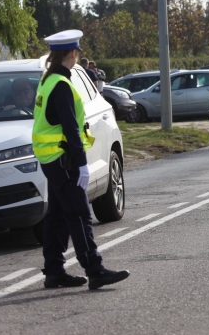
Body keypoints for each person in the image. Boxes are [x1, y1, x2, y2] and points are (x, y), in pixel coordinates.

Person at [32, 30, 129, 290]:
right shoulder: (62, 86)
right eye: (77, 52)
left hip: (51, 159)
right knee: (79, 214)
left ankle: (54, 271)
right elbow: (70, 129)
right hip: (64, 160)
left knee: (57, 216)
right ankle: (94, 270)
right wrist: (81, 163)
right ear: (72, 53)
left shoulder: (47, 80)